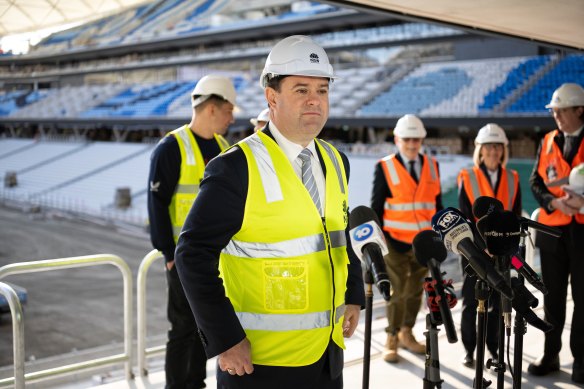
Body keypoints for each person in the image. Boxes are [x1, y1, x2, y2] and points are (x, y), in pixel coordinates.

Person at [174, 35, 365, 389]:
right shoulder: (235, 168)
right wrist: (225, 339)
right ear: (271, 96)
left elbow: (339, 237)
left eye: (322, 91)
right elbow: (192, 255)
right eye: (301, 89)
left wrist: (354, 294)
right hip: (258, 364)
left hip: (327, 355)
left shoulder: (338, 162)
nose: (314, 100)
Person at [147, 74, 236, 389]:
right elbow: (156, 205)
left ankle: (196, 384)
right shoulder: (171, 147)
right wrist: (169, 255)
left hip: (218, 260)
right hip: (183, 259)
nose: (232, 118)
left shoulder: (226, 148)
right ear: (211, 108)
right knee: (182, 329)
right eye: (228, 111)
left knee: (205, 327)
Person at [371, 114, 443, 363]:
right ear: (397, 139)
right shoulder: (385, 167)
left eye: (416, 139)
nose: (412, 144)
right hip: (394, 241)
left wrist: (438, 238)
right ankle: (391, 337)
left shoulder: (433, 166)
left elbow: (437, 204)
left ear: (422, 139)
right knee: (397, 291)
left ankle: (406, 332)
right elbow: (376, 207)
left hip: (422, 243)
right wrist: (378, 243)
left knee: (414, 292)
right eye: (407, 139)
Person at [528, 82, 584, 384]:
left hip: (583, 233)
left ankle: (581, 360)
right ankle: (550, 355)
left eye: (562, 111)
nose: (557, 116)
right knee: (552, 297)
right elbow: (536, 181)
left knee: (583, 299)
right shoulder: (548, 140)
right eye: (554, 111)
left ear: (579, 110)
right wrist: (551, 201)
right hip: (552, 231)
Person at [456, 123, 522, 368]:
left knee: (497, 303)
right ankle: (469, 349)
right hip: (475, 251)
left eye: (497, 146)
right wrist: (481, 246)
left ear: (503, 149)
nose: (493, 151)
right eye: (488, 147)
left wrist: (503, 247)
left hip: (501, 253)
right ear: (480, 150)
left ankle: (494, 350)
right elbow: (464, 217)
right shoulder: (466, 176)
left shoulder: (513, 178)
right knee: (470, 302)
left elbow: (514, 216)